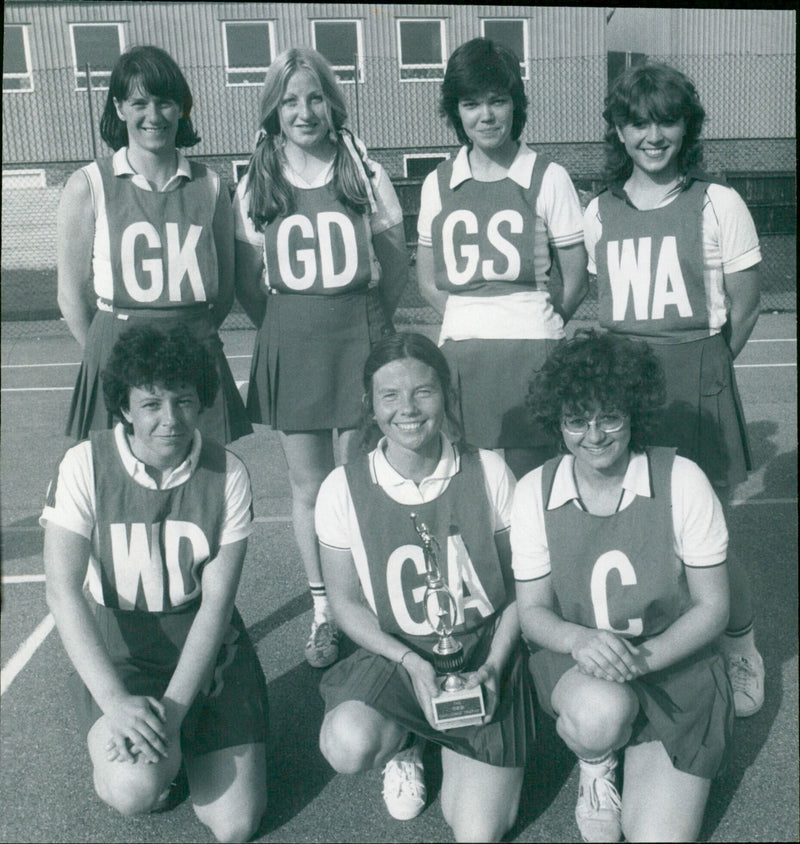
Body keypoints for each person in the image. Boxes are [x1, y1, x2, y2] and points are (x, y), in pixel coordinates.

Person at [584, 62, 764, 717]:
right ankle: (664, 649)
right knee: (640, 533)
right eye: (638, 121)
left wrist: (705, 369)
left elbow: (743, 306)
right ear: (619, 131)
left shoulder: (719, 204)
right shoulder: (598, 211)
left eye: (666, 119)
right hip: (625, 388)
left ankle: (741, 645)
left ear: (687, 126)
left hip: (697, 378)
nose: (653, 134)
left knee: (707, 540)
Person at [42, 325, 269, 843]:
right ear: (124, 407)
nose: (170, 421)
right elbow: (62, 590)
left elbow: (216, 605)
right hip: (123, 647)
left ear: (201, 403)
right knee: (133, 789)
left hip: (205, 645)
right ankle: (166, 759)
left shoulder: (227, 473)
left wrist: (174, 710)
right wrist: (116, 701)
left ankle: (187, 739)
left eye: (184, 401)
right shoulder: (84, 464)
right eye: (151, 404)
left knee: (234, 827)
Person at [511, 330, 733, 843]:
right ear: (558, 423)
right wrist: (578, 641)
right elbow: (533, 613)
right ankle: (597, 762)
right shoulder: (533, 492)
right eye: (576, 421)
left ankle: (643, 746)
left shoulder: (682, 479)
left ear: (633, 412)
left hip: (672, 662)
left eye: (608, 416)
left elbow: (712, 606)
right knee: (600, 713)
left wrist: (641, 660)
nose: (594, 435)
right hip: (581, 667)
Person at [315, 332, 534, 842]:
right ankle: (406, 742)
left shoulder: (490, 471)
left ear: (446, 396)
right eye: (390, 395)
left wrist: (495, 668)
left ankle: (461, 733)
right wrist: (412, 664)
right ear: (369, 404)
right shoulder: (341, 487)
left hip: (481, 651)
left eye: (424, 392)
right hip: (397, 654)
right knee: (347, 744)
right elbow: (345, 602)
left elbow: (523, 588)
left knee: (479, 833)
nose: (407, 408)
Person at [234, 48, 408, 668]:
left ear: (331, 103)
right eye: (289, 100)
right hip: (294, 336)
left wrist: (366, 321)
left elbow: (395, 262)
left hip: (358, 330)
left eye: (313, 97)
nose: (303, 111)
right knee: (308, 487)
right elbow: (250, 282)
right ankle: (325, 612)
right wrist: (287, 325)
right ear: (273, 112)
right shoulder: (258, 178)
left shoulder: (362, 170)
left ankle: (368, 600)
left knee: (357, 479)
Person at [57, 45, 251, 445]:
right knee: (120, 487)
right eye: (139, 102)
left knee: (201, 484)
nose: (153, 115)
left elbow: (226, 289)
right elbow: (71, 294)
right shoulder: (88, 184)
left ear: (182, 108)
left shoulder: (211, 186)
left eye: (165, 102)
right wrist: (104, 354)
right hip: (117, 348)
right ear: (119, 107)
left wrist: (192, 333)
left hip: (194, 347)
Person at [416, 37, 588, 480]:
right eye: (471, 103)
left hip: (533, 348)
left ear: (516, 104)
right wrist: (468, 313)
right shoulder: (437, 182)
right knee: (474, 483)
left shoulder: (549, 176)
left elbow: (575, 278)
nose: (486, 115)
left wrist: (540, 319)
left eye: (497, 101)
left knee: (535, 483)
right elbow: (428, 280)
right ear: (456, 112)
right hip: (461, 351)